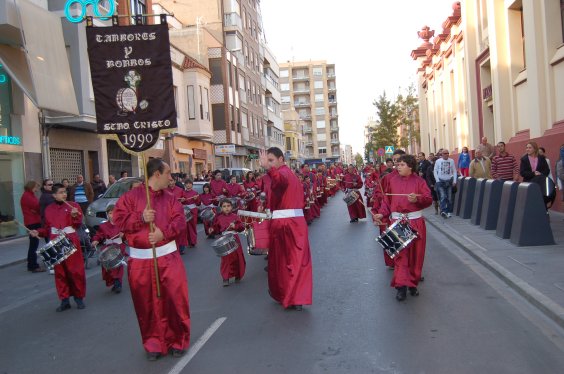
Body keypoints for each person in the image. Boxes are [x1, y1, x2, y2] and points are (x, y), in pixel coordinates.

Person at [112, 158, 190, 361]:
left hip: (168, 257)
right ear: (157, 174)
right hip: (140, 262)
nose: (171, 178)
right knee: (146, 305)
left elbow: (180, 220)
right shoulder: (130, 197)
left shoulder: (171, 198)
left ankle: (178, 340)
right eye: (168, 173)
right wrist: (140, 217)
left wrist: (163, 234)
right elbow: (118, 221)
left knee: (175, 301)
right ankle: (154, 343)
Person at [259, 147, 313, 311]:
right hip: (293, 222)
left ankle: (291, 295)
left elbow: (279, 182)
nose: (269, 163)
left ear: (281, 159)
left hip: (286, 224)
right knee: (294, 260)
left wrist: (269, 169)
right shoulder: (289, 174)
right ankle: (291, 295)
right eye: (267, 161)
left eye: (271, 160)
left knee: (285, 261)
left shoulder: (282, 174)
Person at [373, 154, 432, 301]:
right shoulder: (391, 181)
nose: (398, 167)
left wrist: (417, 199)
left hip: (415, 223)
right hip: (397, 223)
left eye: (402, 165)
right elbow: (387, 201)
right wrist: (381, 214)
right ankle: (401, 287)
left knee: (415, 256)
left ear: (410, 167)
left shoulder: (419, 181)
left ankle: (412, 283)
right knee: (400, 256)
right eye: (397, 165)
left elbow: (428, 199)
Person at [30, 184, 86, 311]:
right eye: (61, 192)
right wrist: (38, 232)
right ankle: (64, 300)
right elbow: (47, 229)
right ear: (54, 195)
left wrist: (75, 216)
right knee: (60, 273)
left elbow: (78, 224)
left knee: (75, 271)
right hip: (56, 241)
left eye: (65, 191)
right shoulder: (48, 209)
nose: (64, 194)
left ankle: (79, 298)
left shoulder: (74, 205)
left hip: (70, 240)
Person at [208, 199, 246, 286]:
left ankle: (238, 275)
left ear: (232, 207)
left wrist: (235, 226)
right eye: (224, 206)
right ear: (221, 208)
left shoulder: (235, 217)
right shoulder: (218, 217)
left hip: (234, 238)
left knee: (237, 257)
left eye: (228, 206)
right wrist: (212, 230)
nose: (226, 208)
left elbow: (241, 227)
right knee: (225, 259)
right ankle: (226, 278)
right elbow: (216, 228)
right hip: (224, 239)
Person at [91, 205, 125, 293]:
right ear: (107, 214)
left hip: (118, 247)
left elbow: (127, 235)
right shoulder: (103, 226)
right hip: (108, 248)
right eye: (110, 213)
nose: (112, 215)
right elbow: (99, 235)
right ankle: (114, 282)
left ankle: (118, 284)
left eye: (114, 213)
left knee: (117, 265)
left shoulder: (122, 225)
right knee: (108, 268)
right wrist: (95, 240)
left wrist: (123, 235)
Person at [20, 181, 45, 272]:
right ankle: (32, 265)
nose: (37, 189)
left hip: (32, 221)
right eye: (36, 187)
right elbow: (37, 207)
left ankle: (31, 263)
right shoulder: (28, 196)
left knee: (33, 244)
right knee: (34, 245)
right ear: (31, 187)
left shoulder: (28, 195)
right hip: (32, 222)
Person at [434, 149, 457, 218]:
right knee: (443, 196)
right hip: (440, 181)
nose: (446, 154)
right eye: (445, 153)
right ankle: (443, 211)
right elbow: (435, 171)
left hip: (449, 181)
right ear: (442, 154)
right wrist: (437, 180)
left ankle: (449, 211)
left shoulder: (451, 161)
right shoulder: (438, 161)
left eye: (447, 153)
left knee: (449, 198)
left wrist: (454, 181)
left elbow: (454, 171)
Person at [184, 179, 201, 248]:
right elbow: (180, 202)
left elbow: (198, 203)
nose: (188, 185)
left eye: (189, 183)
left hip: (193, 210)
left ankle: (193, 241)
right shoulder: (183, 192)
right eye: (187, 184)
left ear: (192, 185)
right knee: (186, 227)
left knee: (193, 226)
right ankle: (187, 241)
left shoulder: (195, 192)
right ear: (185, 185)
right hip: (185, 211)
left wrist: (195, 199)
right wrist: (182, 200)